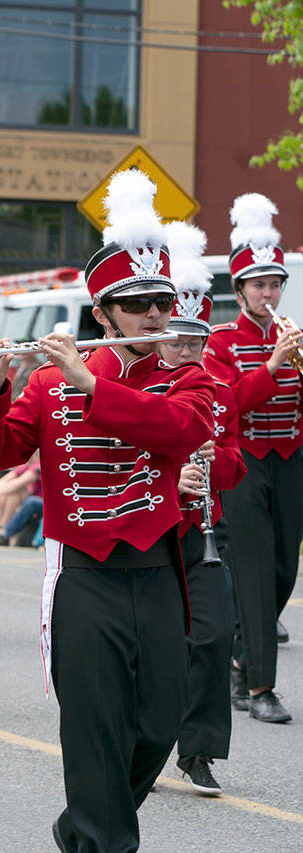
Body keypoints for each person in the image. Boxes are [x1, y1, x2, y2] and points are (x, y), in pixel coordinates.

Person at [0, 171, 214, 852]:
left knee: (158, 725)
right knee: (93, 726)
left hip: (158, 569)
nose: (158, 316)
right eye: (138, 306)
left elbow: (181, 431)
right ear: (102, 313)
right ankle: (102, 837)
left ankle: (85, 824)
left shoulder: (186, 376)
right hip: (84, 576)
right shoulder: (44, 381)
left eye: (163, 301)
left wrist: (89, 382)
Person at [204, 192, 302, 725]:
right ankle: (261, 687)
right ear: (240, 290)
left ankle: (243, 655)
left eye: (275, 284)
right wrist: (272, 364)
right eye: (259, 285)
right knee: (258, 570)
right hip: (242, 464)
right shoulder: (221, 343)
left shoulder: (293, 336)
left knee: (284, 566)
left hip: (290, 458)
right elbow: (227, 404)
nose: (269, 293)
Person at [159, 220, 246, 796]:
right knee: (155, 646)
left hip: (202, 531)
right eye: (179, 341)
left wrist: (214, 462)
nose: (190, 352)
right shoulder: (136, 385)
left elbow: (237, 464)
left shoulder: (217, 389)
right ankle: (147, 740)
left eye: (198, 342)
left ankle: (198, 750)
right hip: (147, 529)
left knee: (214, 636)